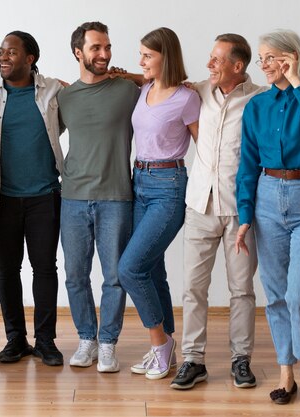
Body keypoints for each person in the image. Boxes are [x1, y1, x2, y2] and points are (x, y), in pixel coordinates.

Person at [235, 29, 300, 407]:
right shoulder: (257, 107)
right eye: (260, 58)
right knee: (276, 294)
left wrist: (296, 80)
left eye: (269, 57)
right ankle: (285, 371)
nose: (262, 65)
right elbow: (247, 165)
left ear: (289, 57)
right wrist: (245, 215)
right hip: (266, 199)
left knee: (299, 293)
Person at [170, 33, 265, 390]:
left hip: (241, 212)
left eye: (217, 59)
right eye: (210, 57)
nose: (210, 64)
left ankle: (242, 359)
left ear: (237, 67)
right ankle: (193, 361)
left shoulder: (260, 99)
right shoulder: (199, 90)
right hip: (199, 205)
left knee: (241, 290)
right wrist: (126, 75)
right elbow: (162, 81)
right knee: (194, 289)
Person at [0, 31, 65, 366]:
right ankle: (15, 339)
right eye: (0, 51)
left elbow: (84, 102)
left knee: (45, 268)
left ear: (30, 59)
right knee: (7, 268)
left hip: (45, 196)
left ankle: (45, 341)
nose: (3, 56)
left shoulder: (53, 90)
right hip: (3, 198)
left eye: (11, 52)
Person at [117, 27, 200, 381]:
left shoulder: (187, 98)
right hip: (140, 182)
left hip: (169, 186)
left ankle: (160, 344)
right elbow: (138, 76)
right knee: (151, 269)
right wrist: (125, 74)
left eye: (147, 55)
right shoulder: (145, 87)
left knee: (130, 268)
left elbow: (205, 147)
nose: (141, 61)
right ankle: (165, 347)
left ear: (166, 56)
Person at [58, 21, 139, 373]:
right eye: (96, 48)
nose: (104, 54)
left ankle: (108, 343)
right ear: (78, 52)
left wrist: (133, 76)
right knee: (75, 274)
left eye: (107, 47)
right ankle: (86, 339)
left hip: (116, 196)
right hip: (73, 196)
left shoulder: (126, 90)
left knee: (114, 276)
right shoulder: (64, 97)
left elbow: (164, 81)